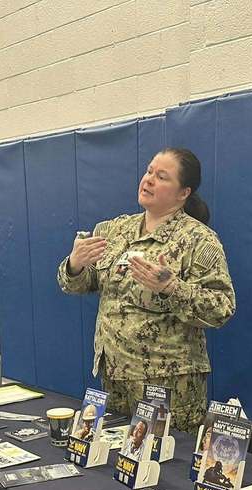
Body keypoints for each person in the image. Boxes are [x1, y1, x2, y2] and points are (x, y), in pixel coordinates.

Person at [57, 147, 236, 433]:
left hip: (167, 384)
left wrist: (171, 287)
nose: (149, 180)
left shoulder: (198, 240)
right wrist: (75, 266)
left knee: (164, 467)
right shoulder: (115, 230)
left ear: (183, 193)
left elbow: (222, 308)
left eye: (162, 176)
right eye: (149, 171)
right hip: (114, 375)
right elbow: (83, 283)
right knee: (116, 466)